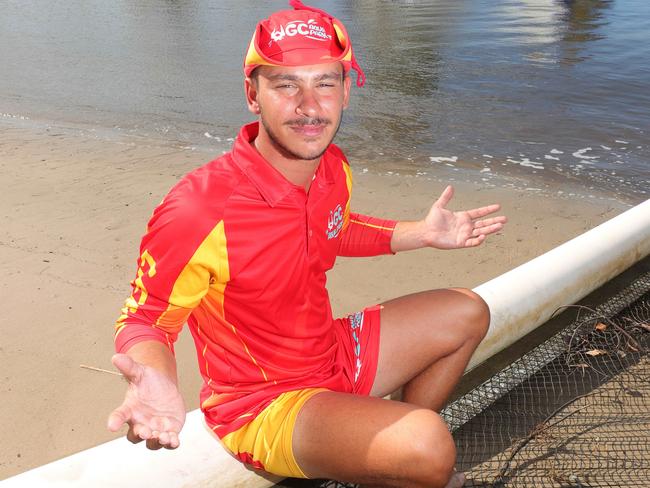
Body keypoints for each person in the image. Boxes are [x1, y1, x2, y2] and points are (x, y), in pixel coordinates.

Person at [107, 2, 506, 487]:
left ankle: (385, 457)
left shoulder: (332, 167)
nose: (309, 105)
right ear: (253, 95)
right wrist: (157, 379)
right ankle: (405, 455)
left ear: (346, 92)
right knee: (429, 443)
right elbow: (146, 318)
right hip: (262, 404)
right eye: (285, 84)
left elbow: (333, 229)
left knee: (467, 310)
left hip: (329, 352)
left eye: (325, 83)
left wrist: (419, 234)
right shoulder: (200, 208)